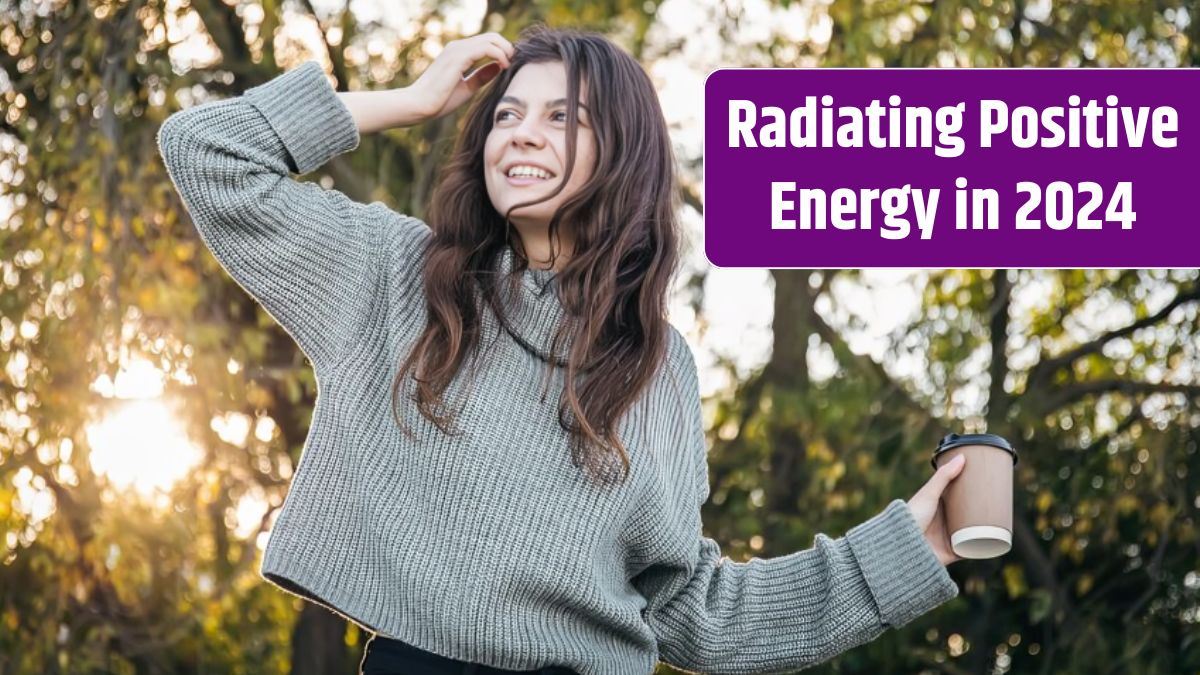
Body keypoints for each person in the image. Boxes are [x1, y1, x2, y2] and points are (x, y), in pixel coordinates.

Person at [157, 23, 967, 675]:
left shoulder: (659, 366)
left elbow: (695, 610)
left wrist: (900, 553)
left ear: (622, 152)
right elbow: (207, 153)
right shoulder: (394, 276)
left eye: (560, 118)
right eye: (505, 115)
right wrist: (411, 98)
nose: (520, 136)